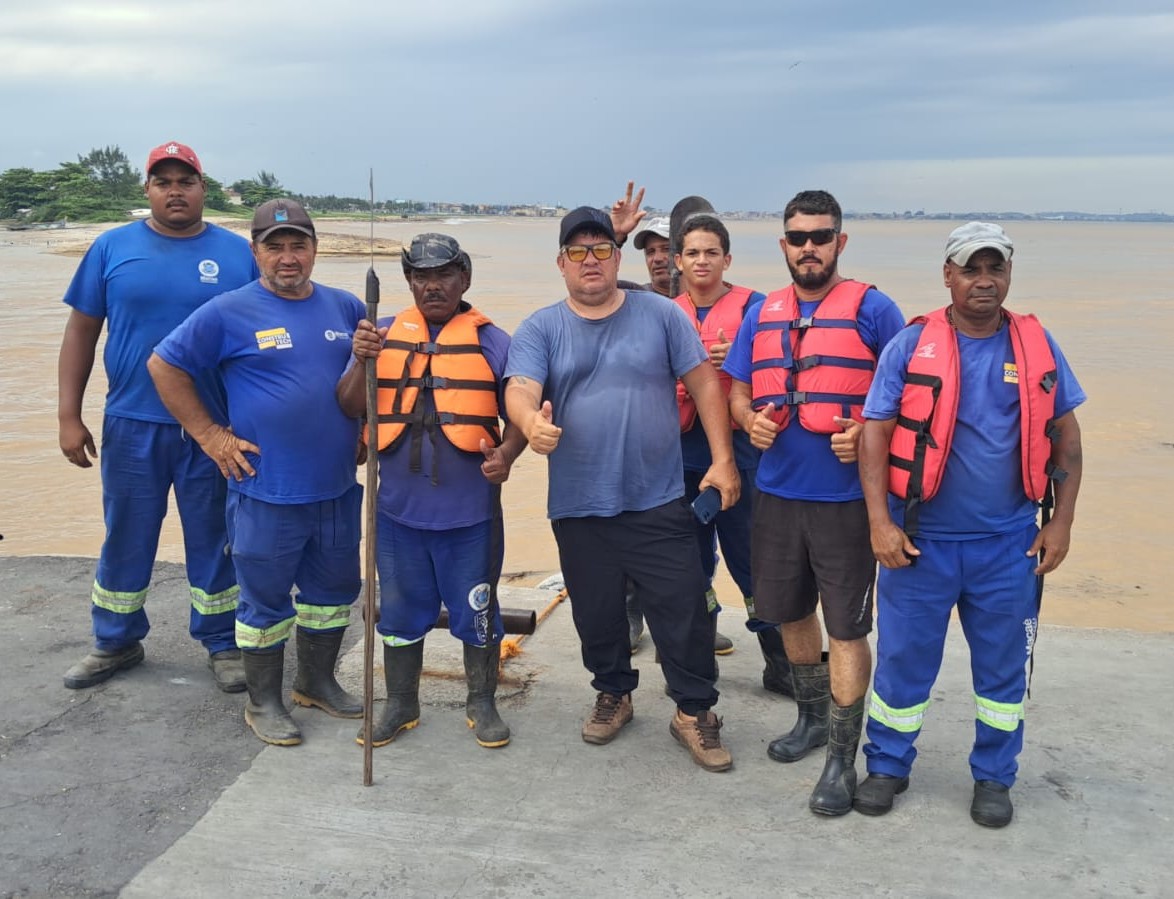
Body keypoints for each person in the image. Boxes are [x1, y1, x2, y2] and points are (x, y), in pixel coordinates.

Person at [854, 222, 1085, 827]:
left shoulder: (1037, 344)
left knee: (1003, 670)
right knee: (903, 661)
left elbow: (1066, 438)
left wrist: (1059, 526)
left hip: (1008, 546)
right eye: (971, 269)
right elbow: (875, 435)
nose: (985, 281)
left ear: (1008, 274)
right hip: (921, 544)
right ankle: (886, 766)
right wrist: (879, 522)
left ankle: (994, 777)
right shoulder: (909, 344)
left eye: (996, 269)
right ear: (948, 275)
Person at [505, 206, 740, 772]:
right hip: (579, 504)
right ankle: (614, 693)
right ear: (561, 263)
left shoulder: (660, 314)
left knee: (683, 609)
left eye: (603, 250)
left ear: (617, 257)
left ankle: (693, 711)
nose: (592, 261)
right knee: (598, 613)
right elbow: (520, 386)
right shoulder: (542, 327)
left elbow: (704, 383)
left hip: (657, 498)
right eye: (579, 252)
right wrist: (529, 424)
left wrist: (723, 460)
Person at [148, 199, 367, 747]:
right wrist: (209, 435)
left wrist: (365, 431)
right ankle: (264, 700)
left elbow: (362, 386)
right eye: (276, 246)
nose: (288, 257)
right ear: (255, 252)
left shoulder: (346, 308)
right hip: (266, 491)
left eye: (299, 245)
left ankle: (316, 682)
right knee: (264, 601)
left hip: (337, 488)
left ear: (316, 250)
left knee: (333, 593)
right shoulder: (227, 311)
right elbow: (164, 365)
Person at [726, 189, 905, 815]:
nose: (809, 248)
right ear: (783, 245)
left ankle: (840, 756)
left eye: (820, 236)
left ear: (840, 243)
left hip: (847, 503)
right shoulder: (763, 311)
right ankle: (807, 718)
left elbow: (911, 393)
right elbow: (739, 390)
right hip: (775, 495)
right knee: (789, 613)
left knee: (848, 627)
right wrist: (748, 419)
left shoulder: (875, 309)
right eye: (798, 238)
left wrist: (868, 431)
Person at [58, 141, 258, 694]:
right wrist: (67, 416)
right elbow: (80, 333)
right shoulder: (110, 248)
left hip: (215, 428)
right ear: (147, 189)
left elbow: (260, 340)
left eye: (186, 180)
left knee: (216, 537)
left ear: (203, 189)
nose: (176, 190)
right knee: (126, 533)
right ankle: (116, 639)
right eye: (163, 181)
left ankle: (223, 643)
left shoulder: (239, 254)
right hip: (131, 422)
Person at [340, 233, 526, 750]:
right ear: (408, 283)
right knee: (397, 613)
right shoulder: (379, 334)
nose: (432, 286)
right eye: (420, 277)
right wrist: (360, 359)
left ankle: (481, 700)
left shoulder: (493, 342)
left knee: (478, 610)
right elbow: (348, 404)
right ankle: (401, 703)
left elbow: (526, 412)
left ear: (464, 278)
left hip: (472, 516)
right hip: (397, 515)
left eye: (443, 274)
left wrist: (507, 454)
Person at [670, 212, 793, 694]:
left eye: (711, 252)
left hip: (743, 455)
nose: (702, 261)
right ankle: (700, 664)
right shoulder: (665, 311)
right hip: (681, 456)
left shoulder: (756, 308)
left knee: (755, 562)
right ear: (678, 261)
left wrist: (739, 359)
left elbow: (783, 372)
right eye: (693, 253)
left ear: (727, 259)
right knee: (689, 566)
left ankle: (780, 663)